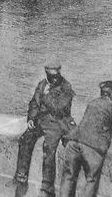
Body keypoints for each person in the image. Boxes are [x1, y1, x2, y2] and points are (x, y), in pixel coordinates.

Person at [11, 60, 76, 197]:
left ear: (59, 73)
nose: (54, 78)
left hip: (57, 123)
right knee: (25, 139)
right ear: (46, 73)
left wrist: (47, 95)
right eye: (50, 75)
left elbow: (60, 109)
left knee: (49, 149)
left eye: (55, 75)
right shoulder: (42, 84)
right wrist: (31, 119)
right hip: (41, 121)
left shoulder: (66, 87)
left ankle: (47, 189)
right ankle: (21, 177)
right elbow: (34, 103)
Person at [59, 81, 112, 197]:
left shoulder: (92, 103)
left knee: (68, 177)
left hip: (73, 142)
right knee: (91, 180)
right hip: (92, 147)